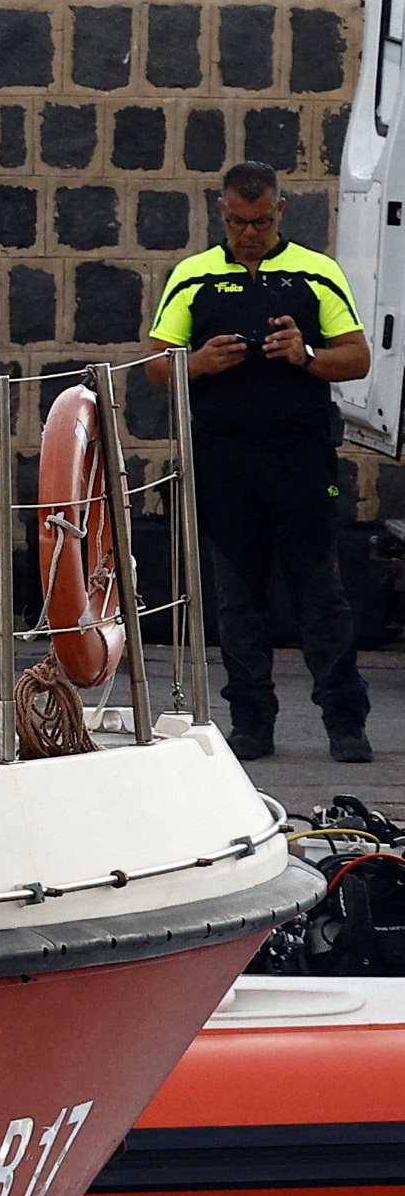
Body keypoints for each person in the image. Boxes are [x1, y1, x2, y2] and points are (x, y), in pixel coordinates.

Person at [149, 161, 373, 760]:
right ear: (221, 213)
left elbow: (356, 359)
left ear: (280, 212)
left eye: (260, 220)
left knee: (320, 596)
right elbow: (152, 364)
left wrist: (303, 355)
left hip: (300, 457)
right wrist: (198, 362)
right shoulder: (193, 276)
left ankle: (345, 722)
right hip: (224, 458)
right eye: (236, 221)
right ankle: (251, 720)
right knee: (237, 597)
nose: (248, 232)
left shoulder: (315, 272)